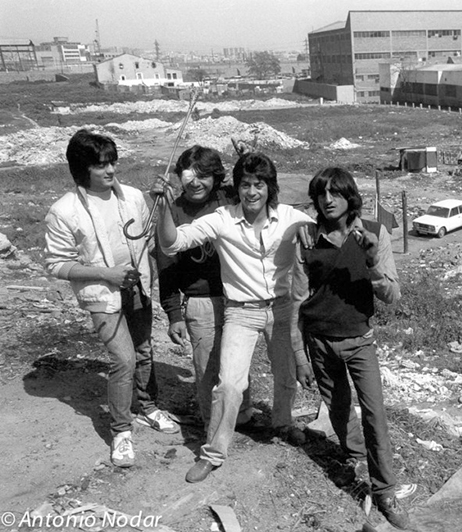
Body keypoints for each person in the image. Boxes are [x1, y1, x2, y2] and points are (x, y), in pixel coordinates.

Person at [152, 151, 314, 484]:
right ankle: (213, 453)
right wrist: (166, 208)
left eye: (259, 184)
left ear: (270, 187)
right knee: (228, 384)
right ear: (236, 187)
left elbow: (327, 231)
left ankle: (283, 424)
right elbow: (172, 244)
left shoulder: (289, 217)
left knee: (285, 374)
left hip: (281, 308)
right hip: (241, 312)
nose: (251, 192)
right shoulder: (222, 219)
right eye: (245, 184)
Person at [44, 129, 178, 469]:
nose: (110, 170)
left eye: (112, 162)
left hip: (138, 288)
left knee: (145, 350)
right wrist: (106, 273)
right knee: (124, 359)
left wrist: (161, 203)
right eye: (101, 165)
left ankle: (147, 407)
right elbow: (57, 264)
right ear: (81, 169)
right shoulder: (65, 211)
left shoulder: (132, 197)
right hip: (104, 295)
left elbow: (150, 239)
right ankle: (120, 430)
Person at [291, 167, 409, 530]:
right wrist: (299, 356)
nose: (328, 201)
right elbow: (296, 299)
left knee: (375, 414)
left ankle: (386, 490)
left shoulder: (374, 233)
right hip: (319, 340)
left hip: (359, 341)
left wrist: (372, 258)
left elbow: (392, 295)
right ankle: (357, 461)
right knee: (339, 411)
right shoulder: (308, 237)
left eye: (336, 194)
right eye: (322, 194)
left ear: (349, 197)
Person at [155, 145, 257, 431]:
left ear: (217, 177)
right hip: (201, 302)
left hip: (239, 297)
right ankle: (213, 424)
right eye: (189, 176)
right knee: (208, 369)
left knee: (238, 364)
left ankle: (244, 416)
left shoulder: (228, 199)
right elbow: (166, 266)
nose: (196, 182)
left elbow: (257, 191)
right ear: (178, 177)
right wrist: (174, 313)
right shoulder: (172, 213)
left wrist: (247, 161)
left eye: (204, 175)